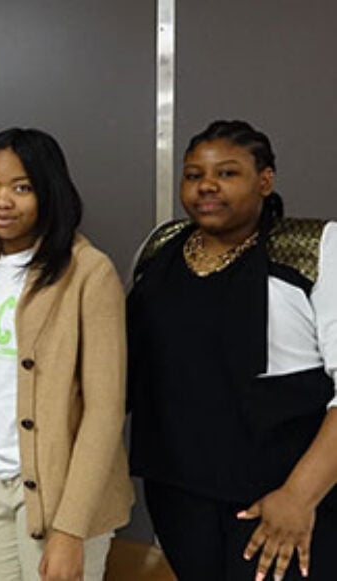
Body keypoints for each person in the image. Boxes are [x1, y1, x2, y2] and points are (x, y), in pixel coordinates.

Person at [128, 120, 337, 581]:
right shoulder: (160, 248)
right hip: (179, 492)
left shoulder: (311, 247)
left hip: (282, 497)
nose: (206, 186)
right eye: (193, 174)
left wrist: (299, 496)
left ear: (265, 180)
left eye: (227, 173)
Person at [0, 128, 133, 581]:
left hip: (64, 497)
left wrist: (71, 530)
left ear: (49, 191)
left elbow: (105, 410)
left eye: (21, 187)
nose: (2, 201)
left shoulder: (89, 271)